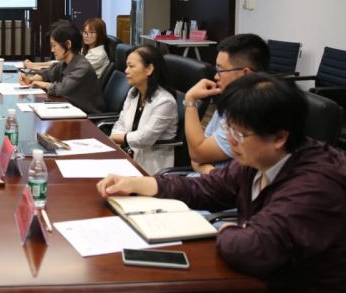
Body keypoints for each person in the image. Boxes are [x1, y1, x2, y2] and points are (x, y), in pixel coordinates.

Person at [97, 73, 346, 291]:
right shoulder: (259, 159)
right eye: (229, 129)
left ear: (280, 137)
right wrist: (139, 184)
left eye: (239, 133)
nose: (231, 141)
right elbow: (208, 187)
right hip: (260, 278)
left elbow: (254, 249)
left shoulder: (317, 185)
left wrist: (226, 230)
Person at [184, 33, 269, 174]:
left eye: (220, 70)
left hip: (216, 186)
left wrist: (191, 101)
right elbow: (197, 154)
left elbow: (197, 153)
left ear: (246, 74)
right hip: (205, 181)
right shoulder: (229, 101)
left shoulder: (250, 113)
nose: (215, 76)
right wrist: (204, 164)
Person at [109, 45, 177, 174]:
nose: (126, 71)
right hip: (128, 158)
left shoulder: (165, 101)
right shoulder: (133, 93)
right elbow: (121, 123)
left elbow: (145, 138)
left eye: (131, 66)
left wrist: (116, 138)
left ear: (149, 69)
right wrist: (116, 142)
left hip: (151, 169)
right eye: (126, 66)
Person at [18, 20, 105, 114]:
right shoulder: (67, 62)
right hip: (72, 110)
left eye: (54, 45)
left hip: (87, 117)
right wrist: (31, 79)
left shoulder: (82, 67)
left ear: (68, 44)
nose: (52, 50)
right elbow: (49, 72)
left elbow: (61, 89)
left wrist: (38, 83)